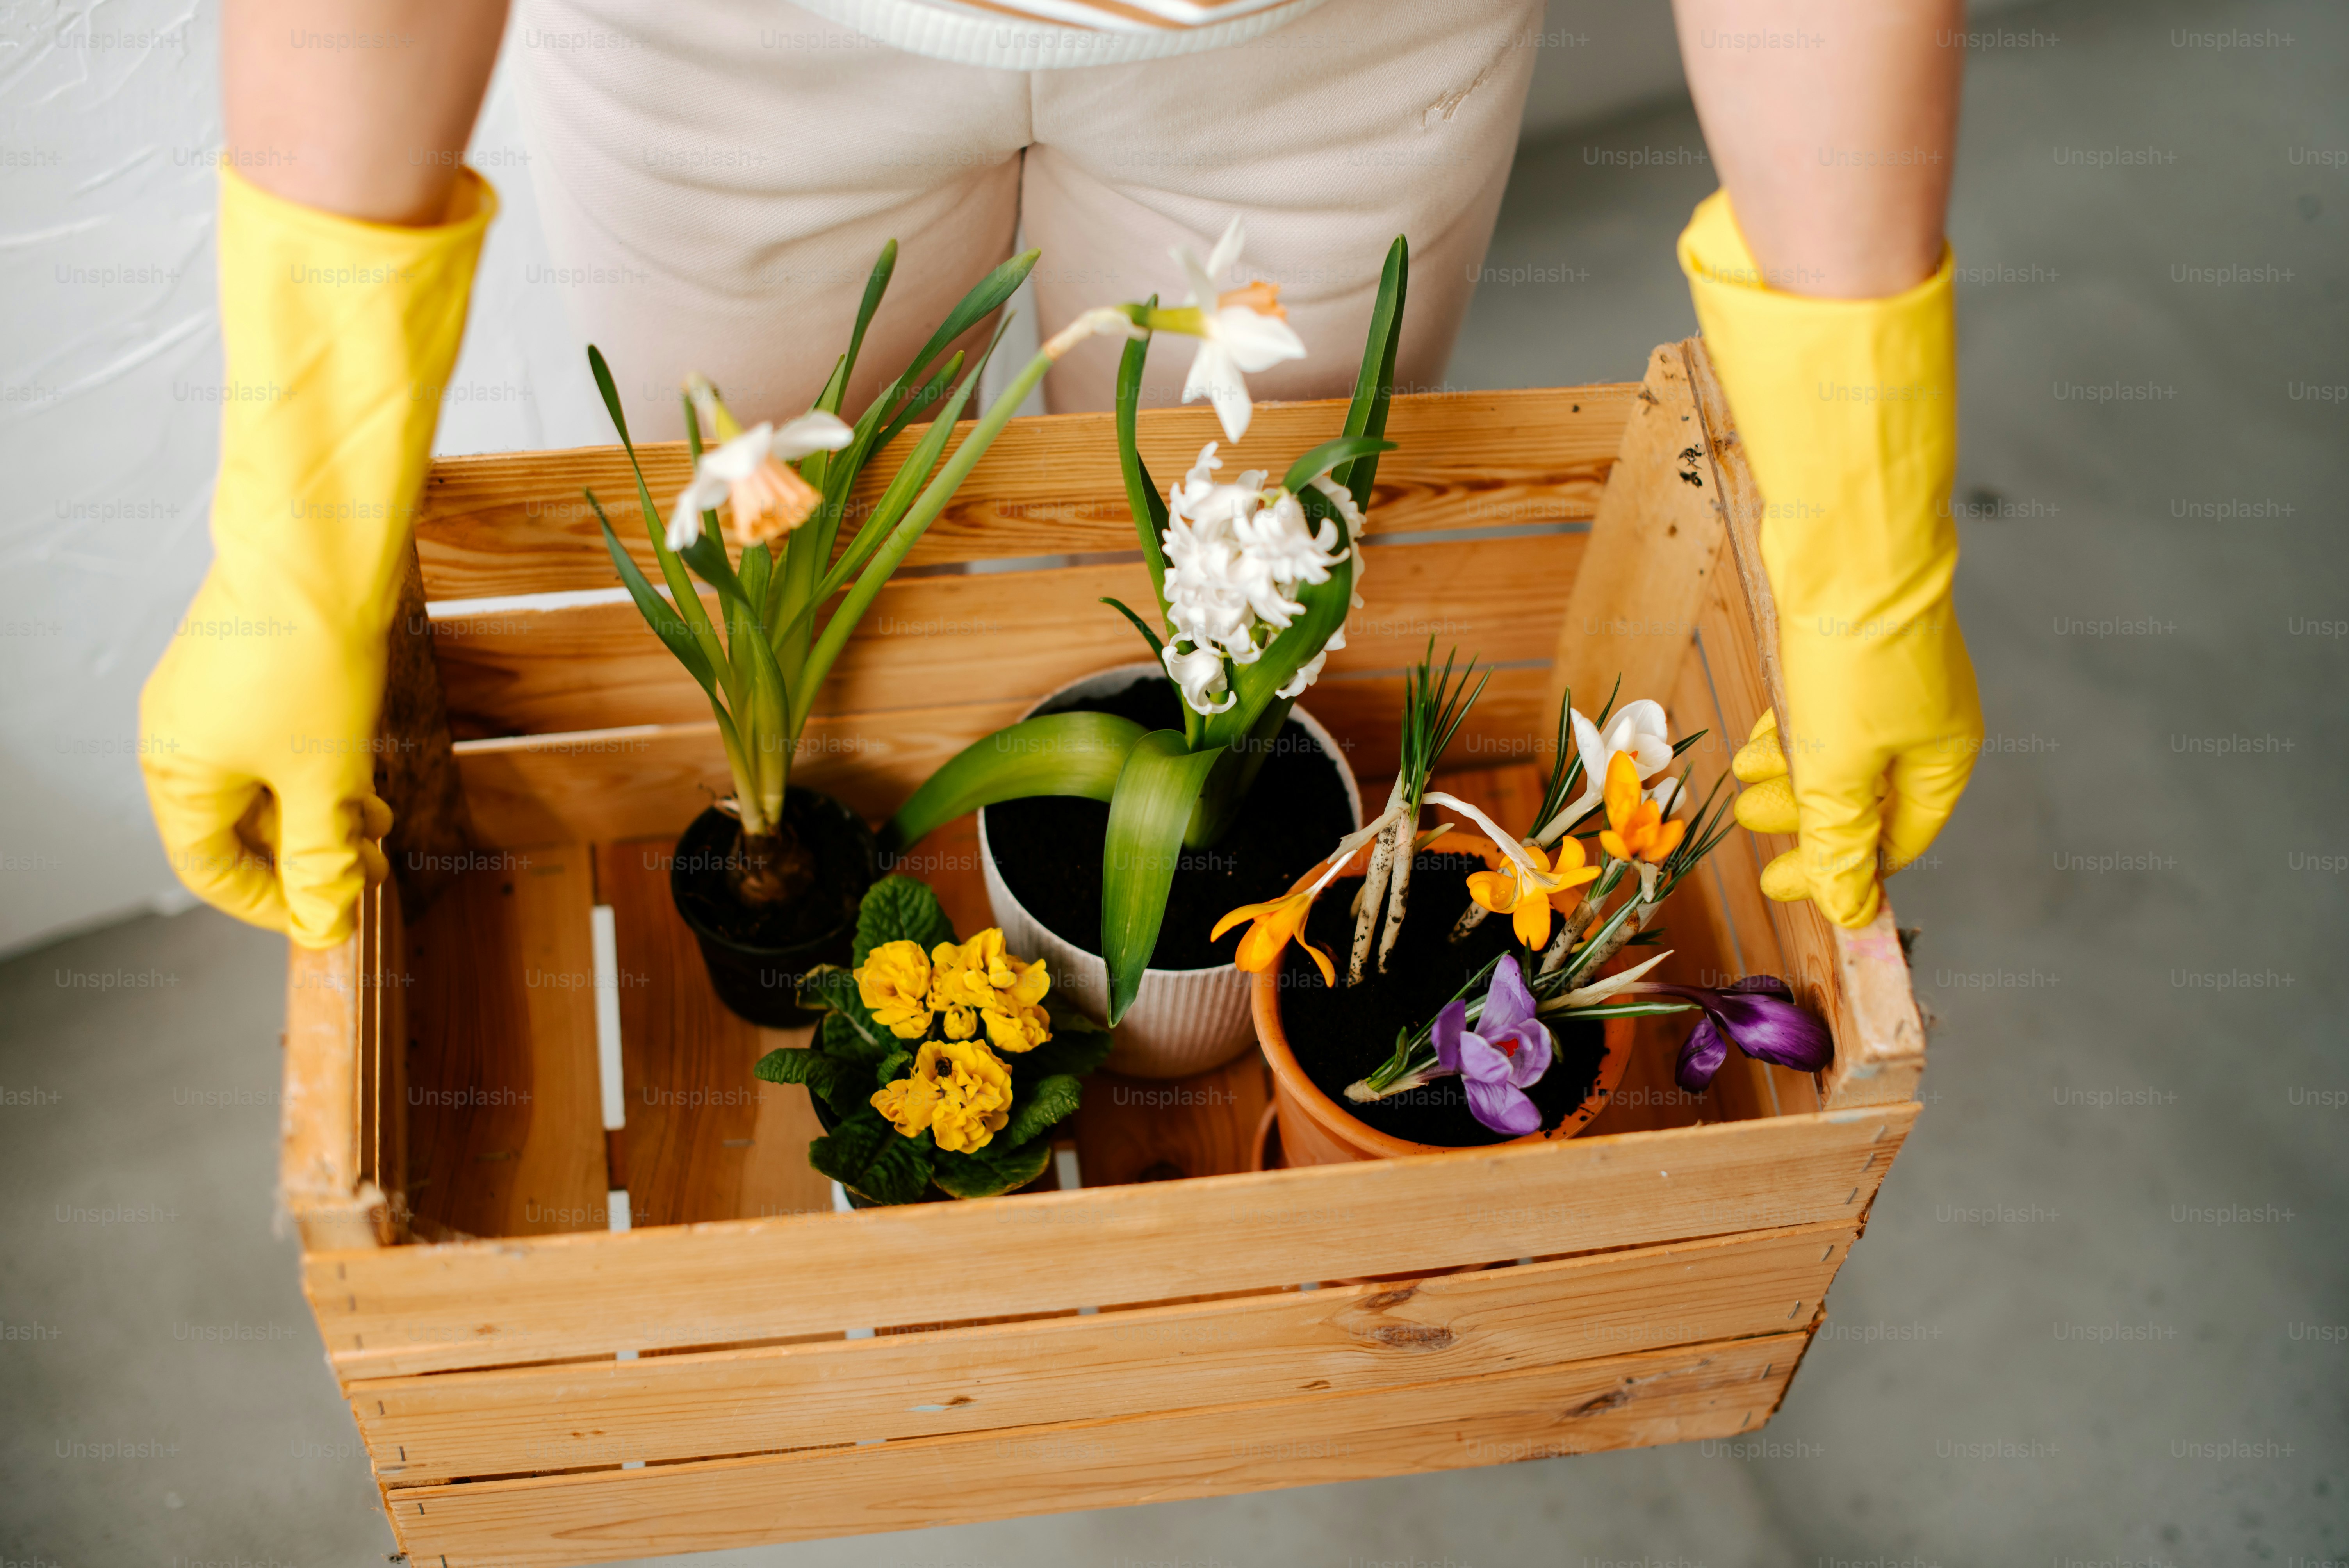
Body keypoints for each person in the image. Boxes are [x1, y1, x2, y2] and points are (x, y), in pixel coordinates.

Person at [140, 0, 1981, 948]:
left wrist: (1858, 511)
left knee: (1236, 624)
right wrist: (293, 536)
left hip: (1332, 46)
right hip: (730, 50)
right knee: (782, 621)